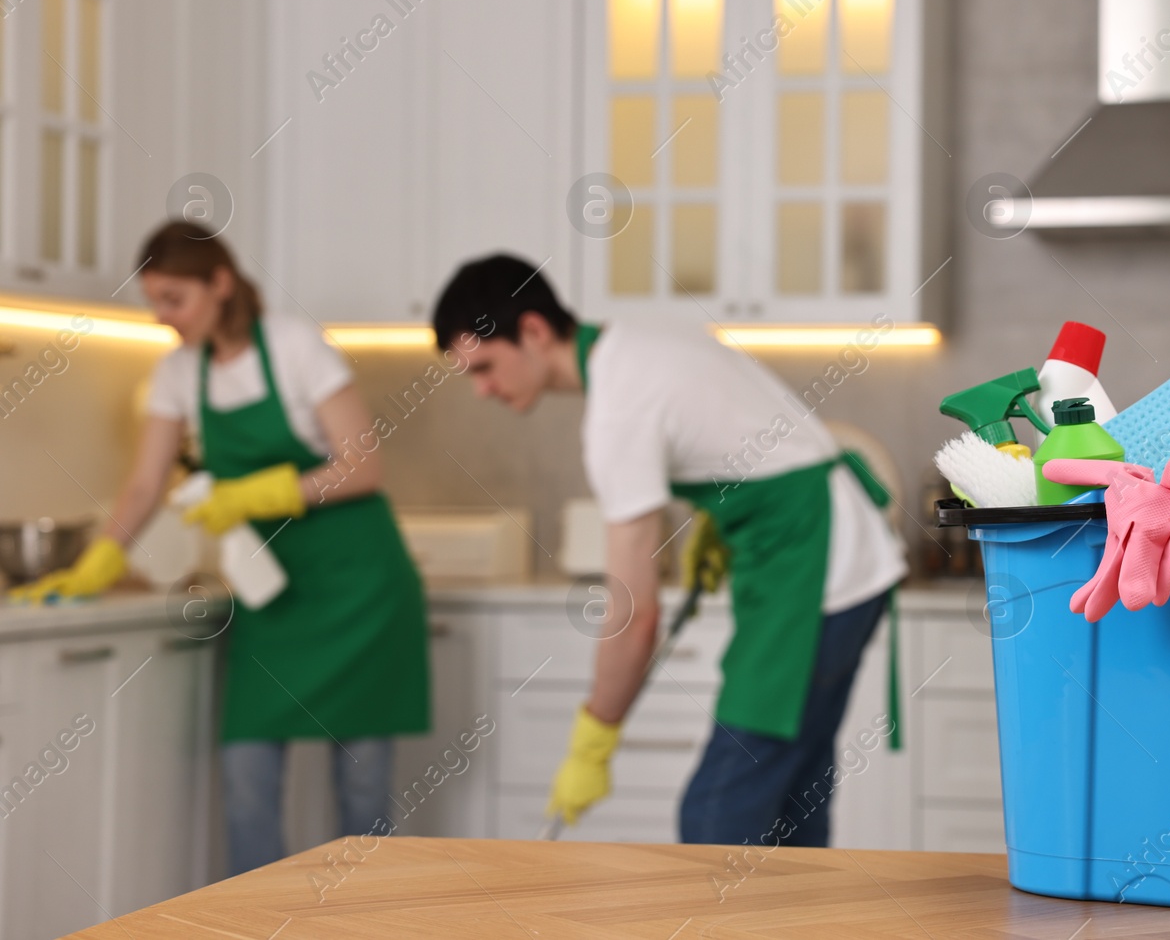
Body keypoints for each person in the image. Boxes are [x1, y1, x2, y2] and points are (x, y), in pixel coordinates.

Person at [431, 254, 906, 847]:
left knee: (716, 817)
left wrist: (594, 737)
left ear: (532, 330)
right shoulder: (634, 340)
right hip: (824, 557)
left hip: (815, 568)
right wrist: (726, 512)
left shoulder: (617, 410)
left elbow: (634, 616)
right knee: (791, 802)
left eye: (484, 367)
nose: (481, 391)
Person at [20, 222, 429, 874]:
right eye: (154, 301)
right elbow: (146, 483)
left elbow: (363, 464)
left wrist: (258, 493)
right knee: (246, 780)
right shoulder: (179, 372)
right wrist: (95, 562)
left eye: (174, 298)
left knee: (361, 788)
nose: (163, 316)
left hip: (358, 590)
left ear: (221, 283)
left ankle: (367, 919)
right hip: (274, 595)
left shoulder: (297, 346)